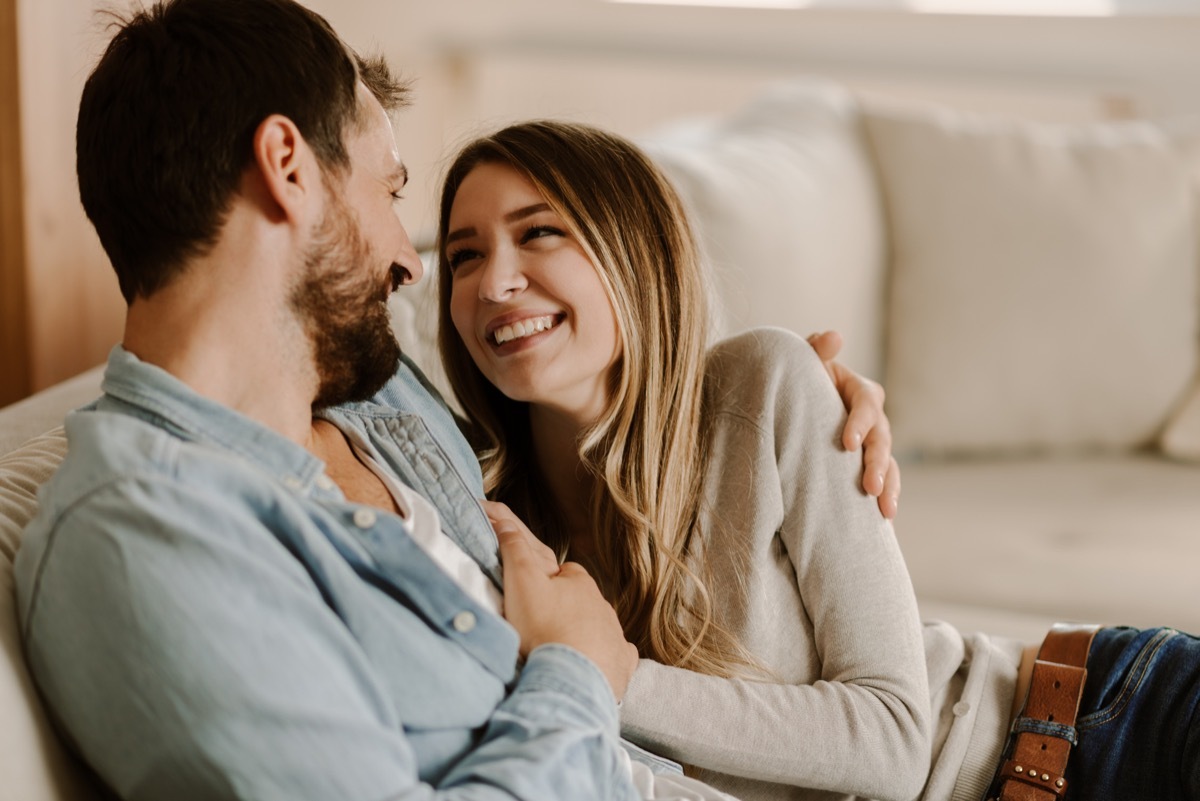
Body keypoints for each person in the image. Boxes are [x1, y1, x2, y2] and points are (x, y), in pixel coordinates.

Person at [12, 3, 893, 800]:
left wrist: (784, 388)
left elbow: (577, 332)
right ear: (287, 167)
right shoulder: (146, 536)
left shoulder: (369, 387)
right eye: (388, 192)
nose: (412, 258)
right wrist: (575, 671)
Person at [434, 119, 1200, 801]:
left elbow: (895, 740)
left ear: (635, 255)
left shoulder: (764, 385)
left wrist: (618, 676)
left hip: (1105, 722)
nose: (493, 281)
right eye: (464, 255)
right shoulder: (477, 519)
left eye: (538, 233)